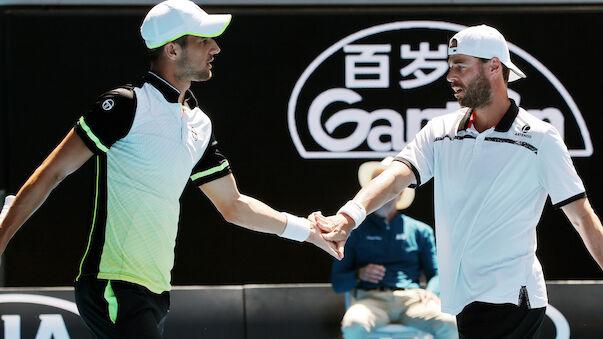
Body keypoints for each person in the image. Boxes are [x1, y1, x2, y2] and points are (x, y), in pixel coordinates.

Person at [0, 1, 339, 338]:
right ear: (173, 50)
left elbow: (234, 206)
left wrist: (308, 232)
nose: (216, 47)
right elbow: (51, 173)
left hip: (155, 293)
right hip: (112, 285)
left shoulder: (199, 123)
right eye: (204, 40)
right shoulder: (124, 105)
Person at [316, 24, 602, 338]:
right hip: (463, 300)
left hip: (511, 300)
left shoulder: (540, 138)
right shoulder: (439, 131)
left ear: (494, 66)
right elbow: (395, 176)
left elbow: (582, 217)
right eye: (450, 66)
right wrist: (348, 216)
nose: (450, 75)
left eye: (460, 66)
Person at [331, 157, 457, 339]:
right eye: (378, 186)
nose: (383, 193)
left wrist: (431, 292)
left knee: (448, 322)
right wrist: (360, 275)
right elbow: (338, 282)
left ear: (400, 193)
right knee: (353, 325)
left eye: (389, 187)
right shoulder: (354, 232)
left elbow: (436, 274)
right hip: (372, 300)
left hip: (413, 300)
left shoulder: (420, 230)